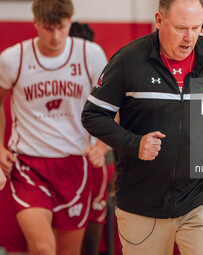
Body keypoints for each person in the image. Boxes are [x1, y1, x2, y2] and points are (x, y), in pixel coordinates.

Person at [81, 0, 203, 254]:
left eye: (196, 27)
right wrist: (135, 143)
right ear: (159, 20)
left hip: (199, 198)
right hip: (141, 206)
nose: (189, 38)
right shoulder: (128, 59)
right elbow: (92, 115)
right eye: (180, 28)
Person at [0, 0, 107, 254]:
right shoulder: (13, 58)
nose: (56, 36)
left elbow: (111, 104)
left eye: (62, 27)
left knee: (68, 251)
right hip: (28, 164)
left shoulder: (90, 54)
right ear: (35, 23)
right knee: (44, 248)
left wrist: (101, 145)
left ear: (70, 21)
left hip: (74, 163)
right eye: (49, 28)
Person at [67, 20, 109, 255]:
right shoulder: (53, 76)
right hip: (62, 157)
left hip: (92, 157)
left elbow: (115, 112)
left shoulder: (99, 73)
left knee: (94, 218)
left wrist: (101, 147)